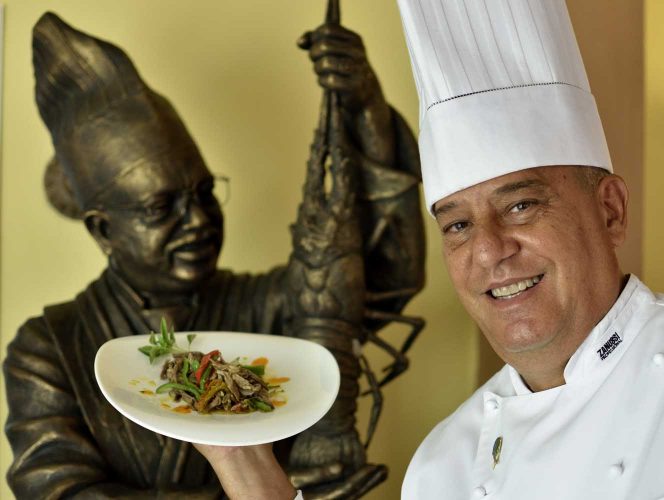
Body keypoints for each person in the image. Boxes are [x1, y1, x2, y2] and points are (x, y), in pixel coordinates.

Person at [198, 0, 664, 499]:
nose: (488, 250)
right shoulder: (444, 465)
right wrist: (245, 464)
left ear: (610, 210)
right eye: (457, 225)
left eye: (521, 206)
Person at [4, 12, 424, 499]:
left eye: (204, 193)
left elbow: (384, 277)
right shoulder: (47, 349)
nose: (199, 220)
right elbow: (59, 492)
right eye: (162, 207)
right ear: (104, 229)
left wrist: (366, 115)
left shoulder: (267, 307)